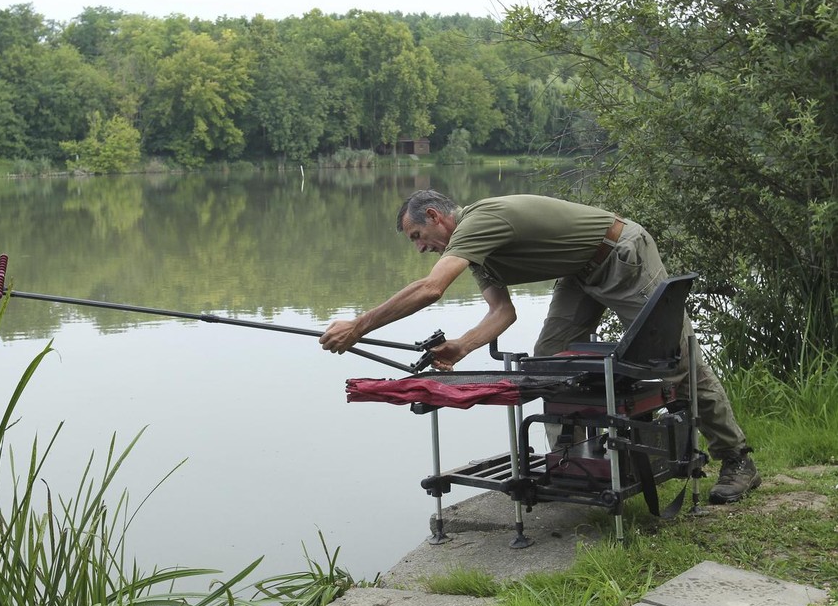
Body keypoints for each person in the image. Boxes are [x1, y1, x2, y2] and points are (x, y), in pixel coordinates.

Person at [319, 190, 760, 504]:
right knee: (552, 362)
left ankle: (736, 460)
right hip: (580, 271)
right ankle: (573, 464)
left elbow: (432, 289)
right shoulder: (479, 253)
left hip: (620, 254)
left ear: (435, 216)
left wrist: (359, 324)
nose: (420, 249)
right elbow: (501, 315)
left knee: (676, 357)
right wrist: (462, 348)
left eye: (417, 236)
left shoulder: (478, 222)